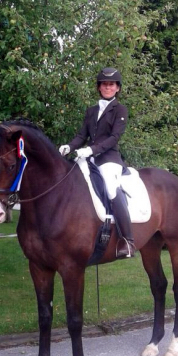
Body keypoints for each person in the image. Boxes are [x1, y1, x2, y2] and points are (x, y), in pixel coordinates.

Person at [59, 67, 135, 258]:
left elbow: (114, 138)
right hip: (89, 157)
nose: (108, 87)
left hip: (110, 159)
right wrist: (69, 146)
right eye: (104, 84)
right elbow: (81, 135)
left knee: (110, 187)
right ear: (99, 87)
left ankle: (128, 240)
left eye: (112, 84)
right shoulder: (91, 111)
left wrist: (91, 149)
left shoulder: (120, 110)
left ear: (117, 88)